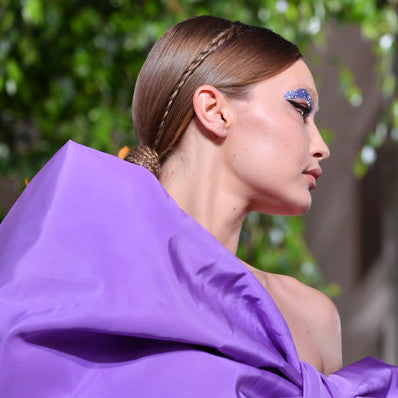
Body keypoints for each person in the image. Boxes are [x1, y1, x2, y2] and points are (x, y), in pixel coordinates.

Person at [0, 15, 396, 398]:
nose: (321, 145)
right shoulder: (75, 270)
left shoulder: (311, 318)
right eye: (300, 108)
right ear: (214, 109)